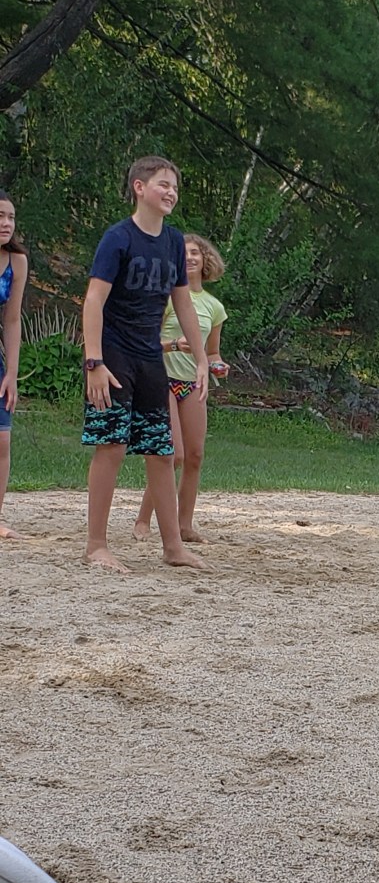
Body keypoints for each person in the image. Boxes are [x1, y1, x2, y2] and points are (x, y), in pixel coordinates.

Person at [82, 155, 209, 574]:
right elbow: (94, 300)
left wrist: (201, 357)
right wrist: (94, 362)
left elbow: (183, 302)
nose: (171, 192)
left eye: (175, 186)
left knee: (161, 449)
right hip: (114, 354)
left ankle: (173, 546)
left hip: (151, 356)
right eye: (163, 184)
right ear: (139, 187)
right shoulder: (118, 238)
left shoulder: (173, 242)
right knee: (112, 445)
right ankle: (96, 545)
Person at [134, 232, 228, 544]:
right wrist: (174, 344)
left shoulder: (214, 307)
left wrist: (217, 364)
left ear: (206, 260)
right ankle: (143, 520)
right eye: (183, 253)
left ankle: (184, 525)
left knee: (195, 456)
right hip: (163, 379)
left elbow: (212, 351)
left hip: (194, 384)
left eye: (195, 253)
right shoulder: (169, 297)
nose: (189, 258)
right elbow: (146, 342)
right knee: (172, 454)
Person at [0, 190, 29, 540]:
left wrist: (11, 373)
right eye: (0, 216)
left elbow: (11, 319)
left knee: (2, 440)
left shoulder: (16, 262)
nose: (6, 223)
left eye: (10, 217)